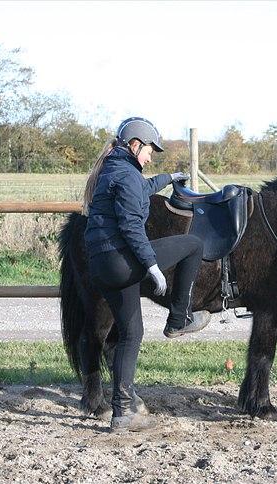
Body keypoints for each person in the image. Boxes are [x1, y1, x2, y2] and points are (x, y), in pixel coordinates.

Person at [83, 117, 211, 432]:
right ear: (135, 144)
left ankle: (122, 414)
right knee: (193, 245)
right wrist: (153, 267)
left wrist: (169, 177)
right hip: (120, 261)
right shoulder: (126, 177)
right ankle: (179, 318)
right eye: (150, 150)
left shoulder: (114, 170)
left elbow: (144, 187)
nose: (151, 156)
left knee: (131, 334)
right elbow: (130, 227)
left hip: (101, 266)